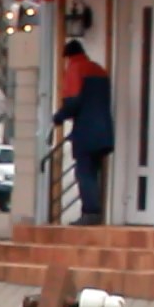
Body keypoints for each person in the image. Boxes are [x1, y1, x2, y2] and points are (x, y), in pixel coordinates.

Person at [53, 40, 115, 226]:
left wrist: (59, 116)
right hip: (104, 131)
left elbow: (73, 101)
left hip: (86, 132)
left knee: (84, 172)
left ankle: (90, 212)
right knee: (93, 172)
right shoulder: (99, 69)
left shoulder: (76, 68)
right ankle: (94, 210)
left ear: (69, 56)